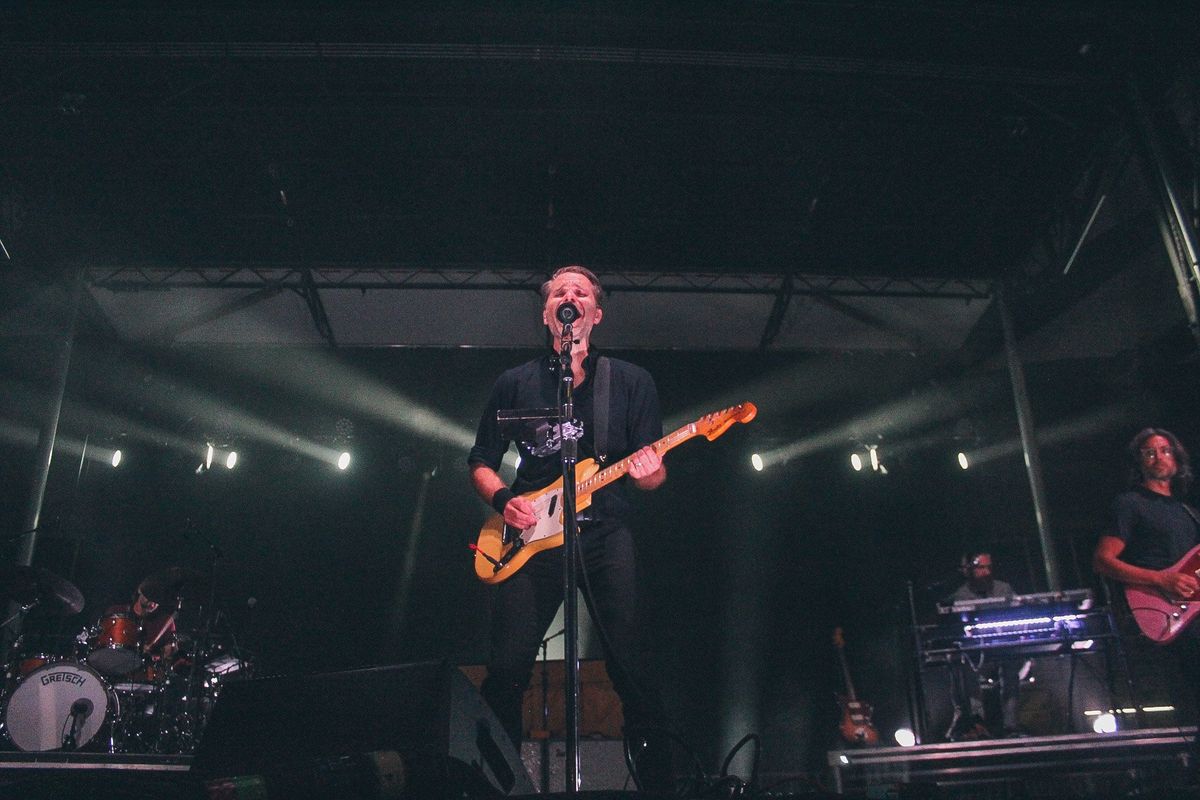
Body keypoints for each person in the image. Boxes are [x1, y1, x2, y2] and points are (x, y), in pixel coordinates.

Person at [467, 265, 671, 789]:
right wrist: (506, 500)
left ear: (595, 315)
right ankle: (501, 785)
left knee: (633, 670)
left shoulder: (629, 382)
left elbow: (652, 474)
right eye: (560, 291)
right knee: (506, 673)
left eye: (581, 292)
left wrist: (651, 472)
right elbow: (481, 461)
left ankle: (660, 786)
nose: (570, 296)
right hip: (532, 539)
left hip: (605, 532)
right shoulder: (514, 383)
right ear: (546, 312)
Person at [1094, 428, 1200, 728]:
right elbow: (1103, 560)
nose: (1158, 457)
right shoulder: (1130, 503)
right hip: (1167, 610)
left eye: (1165, 450)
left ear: (1177, 459)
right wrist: (1161, 580)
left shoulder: (1188, 512)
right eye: (1149, 452)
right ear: (1139, 462)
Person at [945, 551, 1022, 739]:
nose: (986, 572)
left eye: (989, 567)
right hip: (974, 650)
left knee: (1012, 667)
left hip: (1004, 645)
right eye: (981, 568)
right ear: (968, 570)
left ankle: (1011, 725)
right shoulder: (961, 596)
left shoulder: (1004, 589)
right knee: (964, 666)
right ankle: (976, 722)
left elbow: (1020, 609)